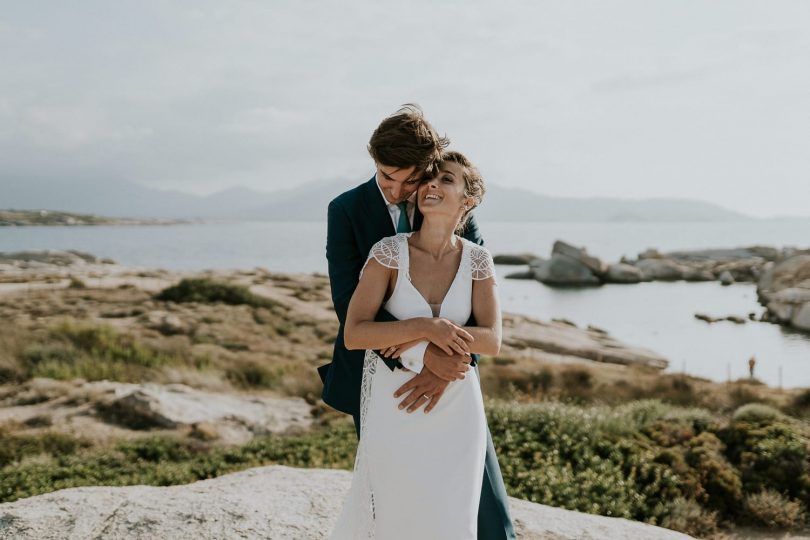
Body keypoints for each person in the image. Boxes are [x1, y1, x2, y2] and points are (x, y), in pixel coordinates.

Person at [318, 105, 515, 539]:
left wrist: (449, 367)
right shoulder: (346, 210)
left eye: (410, 178)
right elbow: (349, 303)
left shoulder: (451, 203)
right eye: (387, 176)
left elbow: (471, 295)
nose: (397, 189)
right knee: (392, 498)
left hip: (456, 378)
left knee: (486, 504)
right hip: (380, 376)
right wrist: (426, 352)